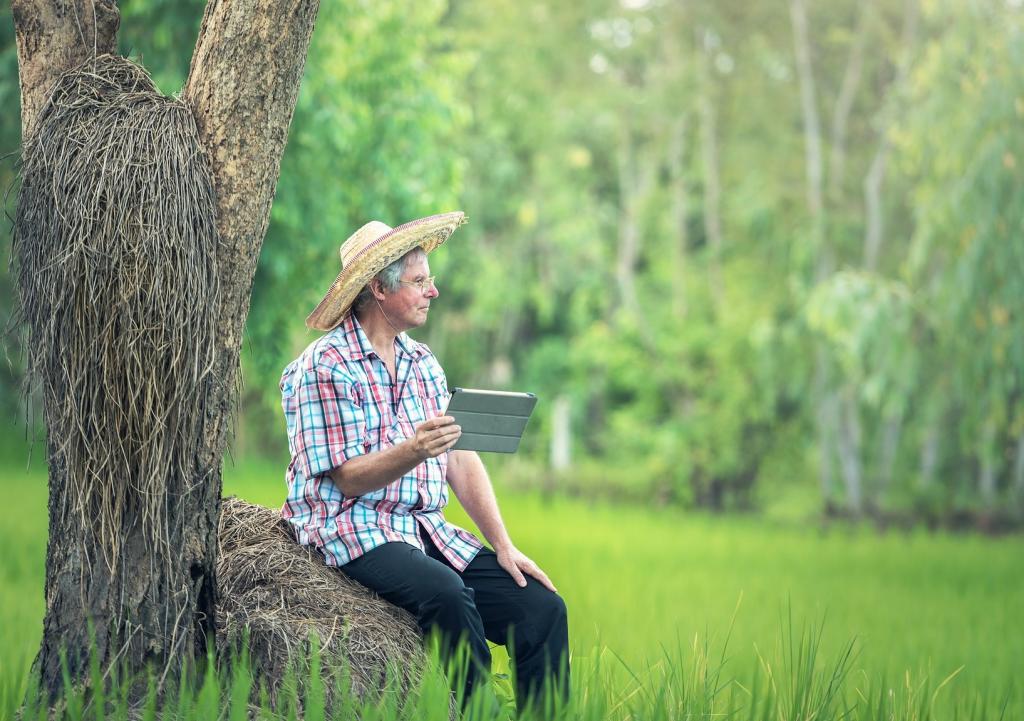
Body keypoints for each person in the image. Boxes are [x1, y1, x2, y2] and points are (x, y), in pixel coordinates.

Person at [279, 212, 569, 710]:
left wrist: (503, 546)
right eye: (419, 281)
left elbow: (459, 458)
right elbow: (347, 480)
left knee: (541, 608)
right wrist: (413, 449)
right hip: (349, 529)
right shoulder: (322, 367)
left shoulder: (423, 363)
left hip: (421, 530)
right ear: (378, 289)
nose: (432, 291)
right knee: (448, 595)